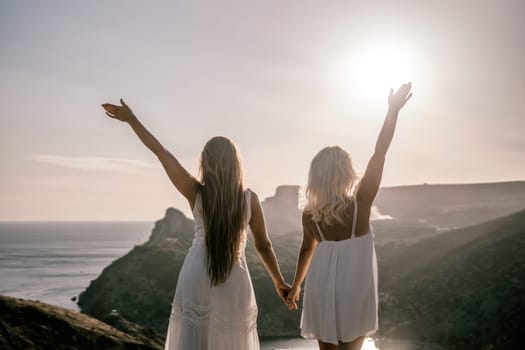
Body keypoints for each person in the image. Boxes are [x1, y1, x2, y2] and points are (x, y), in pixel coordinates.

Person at [101, 100, 290, 350]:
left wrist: (133, 121)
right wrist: (279, 281)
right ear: (236, 163)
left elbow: (162, 153)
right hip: (235, 276)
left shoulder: (195, 191)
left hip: (198, 272)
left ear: (205, 161)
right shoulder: (249, 199)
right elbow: (263, 245)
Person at [286, 83, 413, 350]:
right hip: (354, 285)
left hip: (320, 283)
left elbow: (306, 249)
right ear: (346, 172)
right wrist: (392, 112)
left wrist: (296, 285)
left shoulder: (310, 215)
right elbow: (380, 153)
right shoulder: (360, 204)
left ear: (315, 177)